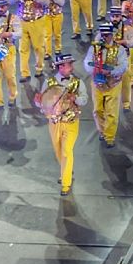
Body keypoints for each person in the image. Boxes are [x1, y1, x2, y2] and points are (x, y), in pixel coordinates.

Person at [35, 52, 87, 195]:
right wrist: (37, 101)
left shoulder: (78, 82)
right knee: (58, 150)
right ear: (61, 67)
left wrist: (75, 98)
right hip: (54, 122)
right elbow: (43, 103)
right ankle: (66, 170)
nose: (72, 67)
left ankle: (65, 183)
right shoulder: (49, 83)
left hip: (71, 122)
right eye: (69, 65)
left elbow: (84, 100)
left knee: (66, 151)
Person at [82, 22, 131, 147]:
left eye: (107, 35)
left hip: (113, 84)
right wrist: (95, 70)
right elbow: (87, 62)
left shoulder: (120, 50)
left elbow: (124, 66)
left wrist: (110, 72)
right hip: (97, 84)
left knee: (111, 112)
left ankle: (110, 137)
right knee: (97, 110)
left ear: (112, 35)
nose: (104, 37)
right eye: (102, 34)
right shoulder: (94, 48)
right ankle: (102, 131)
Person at [11, 0, 52, 78]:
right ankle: (25, 73)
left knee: (38, 47)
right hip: (22, 21)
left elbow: (47, 2)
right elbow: (11, 0)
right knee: (23, 49)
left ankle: (39, 68)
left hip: (37, 21)